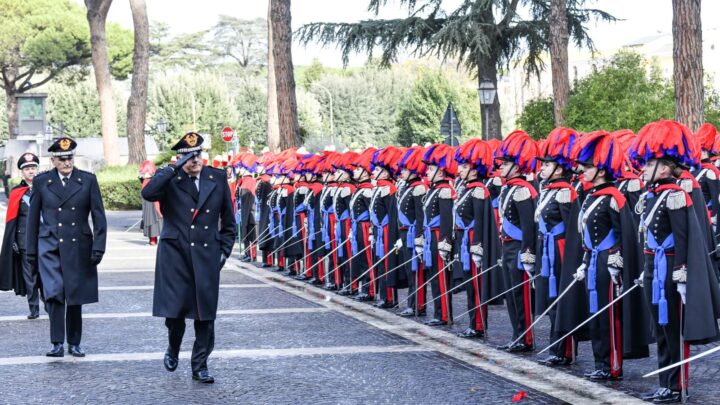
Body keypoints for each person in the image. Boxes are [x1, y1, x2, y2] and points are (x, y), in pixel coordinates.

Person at [629, 120, 720, 403]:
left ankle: (676, 384)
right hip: (652, 268)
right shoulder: (652, 195)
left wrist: (682, 274)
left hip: (670, 269)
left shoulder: (676, 196)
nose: (642, 169)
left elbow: (684, 240)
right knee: (660, 328)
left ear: (664, 168)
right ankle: (664, 382)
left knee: (673, 329)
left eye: (648, 164)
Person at [141, 132, 235, 383]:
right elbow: (148, 194)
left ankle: (200, 365)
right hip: (176, 255)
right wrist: (172, 169)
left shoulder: (216, 177)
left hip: (207, 254)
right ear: (180, 158)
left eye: (199, 154)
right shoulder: (171, 178)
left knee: (206, 314)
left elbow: (228, 220)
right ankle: (173, 347)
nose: (196, 160)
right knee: (176, 312)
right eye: (190, 156)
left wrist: (224, 251)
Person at [572, 130, 650, 381]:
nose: (583, 171)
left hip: (608, 266)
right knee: (595, 314)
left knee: (609, 315)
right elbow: (588, 236)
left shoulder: (614, 198)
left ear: (601, 170)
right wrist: (585, 262)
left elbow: (623, 234)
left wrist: (617, 260)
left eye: (588, 166)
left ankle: (612, 364)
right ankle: (600, 362)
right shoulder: (591, 196)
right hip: (594, 262)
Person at [26, 137, 107, 357]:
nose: (67, 162)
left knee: (74, 295)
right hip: (50, 245)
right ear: (53, 160)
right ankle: (56, 343)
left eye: (70, 157)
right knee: (53, 293)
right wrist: (30, 251)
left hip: (78, 245)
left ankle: (74, 342)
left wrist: (99, 247)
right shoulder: (42, 182)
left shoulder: (87, 180)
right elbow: (32, 218)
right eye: (62, 159)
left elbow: (99, 216)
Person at [533, 128, 581, 365]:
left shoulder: (565, 192)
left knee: (561, 299)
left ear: (559, 169)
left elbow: (572, 229)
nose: (541, 168)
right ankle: (556, 346)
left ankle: (563, 350)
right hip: (546, 249)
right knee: (551, 301)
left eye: (546, 164)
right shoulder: (548, 191)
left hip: (560, 251)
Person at [495, 130, 539, 352]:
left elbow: (529, 226)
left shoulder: (522, 190)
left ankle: (525, 337)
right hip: (508, 246)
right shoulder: (509, 188)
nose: (500, 167)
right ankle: (516, 333)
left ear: (517, 166)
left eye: (505, 164)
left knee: (521, 296)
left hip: (519, 248)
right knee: (511, 295)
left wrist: (528, 253)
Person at [453, 139, 501, 338]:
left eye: (464, 166)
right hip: (465, 240)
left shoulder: (479, 190)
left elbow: (481, 221)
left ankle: (479, 324)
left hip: (473, 241)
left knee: (476, 285)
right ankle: (474, 322)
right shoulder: (468, 188)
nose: (459, 170)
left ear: (474, 170)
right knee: (470, 285)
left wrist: (478, 246)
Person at [418, 144, 457, 326]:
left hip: (438, 237)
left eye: (431, 169)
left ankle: (443, 314)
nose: (427, 171)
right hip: (430, 237)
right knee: (434, 276)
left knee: (441, 277)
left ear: (441, 172)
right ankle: (438, 311)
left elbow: (446, 219)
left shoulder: (444, 190)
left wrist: (445, 242)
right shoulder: (434, 189)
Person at [0, 152, 41, 318]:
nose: (30, 171)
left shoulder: (45, 189)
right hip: (24, 241)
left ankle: (51, 304)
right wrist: (13, 242)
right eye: (27, 169)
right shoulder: (17, 192)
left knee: (46, 274)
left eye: (33, 168)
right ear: (22, 172)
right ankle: (34, 308)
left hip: (44, 239)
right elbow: (12, 220)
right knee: (29, 276)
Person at [369, 146, 404, 308]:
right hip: (378, 230)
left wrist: (392, 235)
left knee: (387, 263)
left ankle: (390, 297)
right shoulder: (379, 187)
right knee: (380, 262)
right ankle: (383, 295)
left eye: (377, 170)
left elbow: (392, 214)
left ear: (385, 173)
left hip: (386, 231)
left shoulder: (389, 188)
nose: (373, 172)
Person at [395, 146, 428, 317]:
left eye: (406, 169)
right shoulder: (407, 187)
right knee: (410, 270)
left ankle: (418, 305)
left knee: (416, 270)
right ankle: (412, 303)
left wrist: (419, 237)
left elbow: (421, 216)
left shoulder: (419, 188)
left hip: (413, 233)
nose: (402, 172)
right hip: (405, 233)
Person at [139, 161, 163, 245]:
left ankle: (153, 240)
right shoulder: (146, 180)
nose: (145, 174)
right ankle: (153, 240)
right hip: (149, 202)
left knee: (153, 220)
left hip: (153, 202)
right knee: (151, 220)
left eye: (146, 172)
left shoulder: (152, 179)